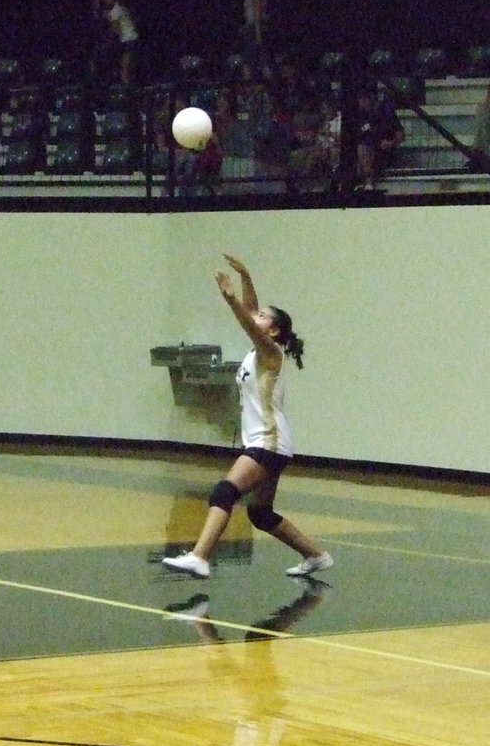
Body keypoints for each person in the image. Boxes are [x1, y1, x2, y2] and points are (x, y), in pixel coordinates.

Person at [162, 255, 332, 579]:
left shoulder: (270, 352)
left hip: (268, 443)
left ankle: (200, 557)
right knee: (260, 513)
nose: (257, 316)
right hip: (273, 444)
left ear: (275, 329)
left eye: (265, 316)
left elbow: (246, 320)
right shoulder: (258, 350)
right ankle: (316, 556)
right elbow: (252, 315)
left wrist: (230, 298)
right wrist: (246, 277)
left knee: (224, 493)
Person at [354, 88, 404, 190]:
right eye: (360, 101)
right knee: (362, 148)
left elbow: (400, 133)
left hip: (384, 151)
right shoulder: (360, 115)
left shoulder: (386, 112)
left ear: (371, 98)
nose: (362, 105)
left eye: (364, 101)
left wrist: (391, 143)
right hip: (365, 151)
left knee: (367, 151)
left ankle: (368, 183)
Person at [100, 0, 139, 85]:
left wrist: (109, 19)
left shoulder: (114, 11)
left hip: (128, 41)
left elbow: (116, 31)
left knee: (124, 68)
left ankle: (127, 90)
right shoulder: (122, 7)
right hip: (133, 39)